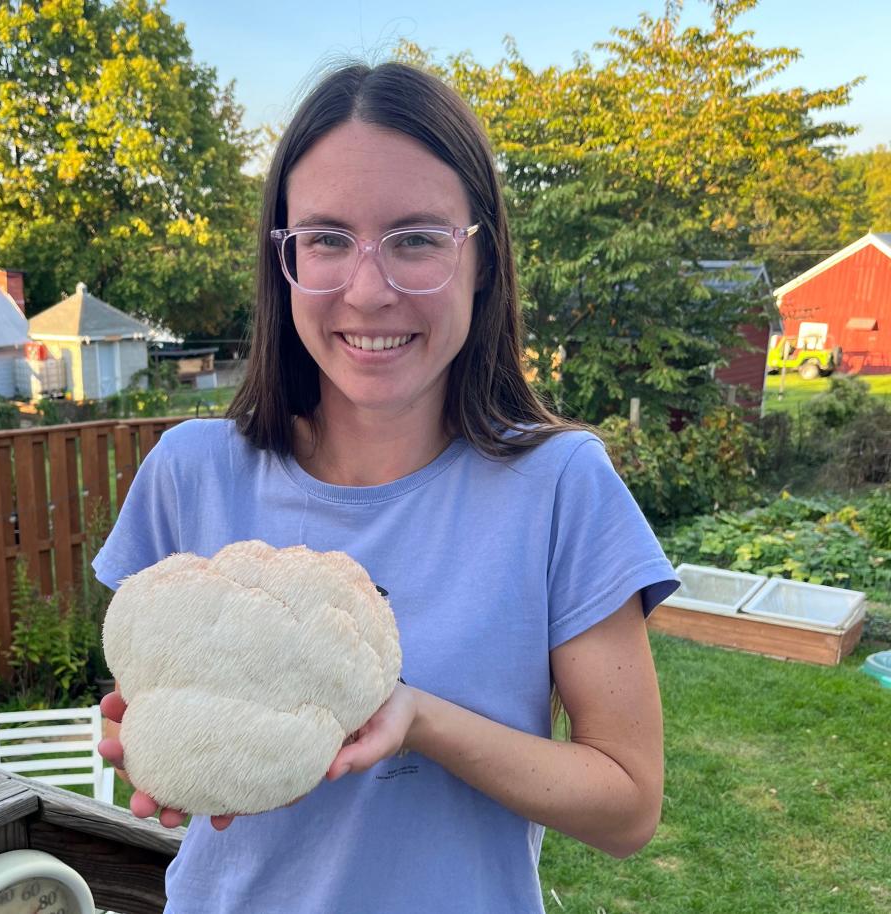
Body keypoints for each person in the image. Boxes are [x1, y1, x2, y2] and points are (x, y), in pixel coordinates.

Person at [94, 60, 680, 914]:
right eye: (327, 239)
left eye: (415, 239)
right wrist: (147, 739)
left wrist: (415, 717)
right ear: (283, 263)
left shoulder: (559, 488)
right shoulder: (188, 473)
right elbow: (138, 690)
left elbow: (629, 806)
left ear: (480, 261)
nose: (368, 291)